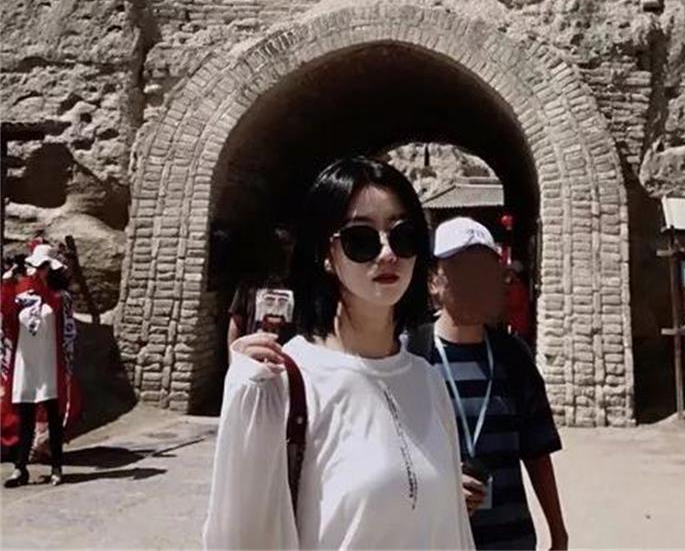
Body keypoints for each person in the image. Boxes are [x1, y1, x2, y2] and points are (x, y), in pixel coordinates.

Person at [203, 156, 474, 550]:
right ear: (326, 255)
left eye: (403, 235)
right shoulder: (277, 383)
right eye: (361, 239)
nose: (387, 253)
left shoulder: (428, 380)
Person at [407, 216, 568, 551]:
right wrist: (443, 486)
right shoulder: (411, 356)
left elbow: (537, 451)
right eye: (462, 271)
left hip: (511, 541)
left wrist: (558, 533)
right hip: (437, 540)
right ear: (434, 281)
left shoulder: (514, 358)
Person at [1, 244, 77, 487]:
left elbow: (57, 311)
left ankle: (57, 466)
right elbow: (7, 314)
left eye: (43, 266)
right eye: (37, 265)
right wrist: (7, 284)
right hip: (25, 363)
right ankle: (20, 468)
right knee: (25, 417)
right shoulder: (22, 292)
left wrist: (36, 284)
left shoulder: (61, 297)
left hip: (49, 364)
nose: (39, 270)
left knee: (53, 416)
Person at [227, 226, 296, 349]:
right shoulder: (249, 284)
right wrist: (233, 356)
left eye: (287, 245)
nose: (283, 252)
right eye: (278, 246)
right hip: (252, 353)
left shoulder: (299, 285)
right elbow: (236, 323)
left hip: (286, 355)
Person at [505, 260, 533, 340]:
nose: (508, 273)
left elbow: (515, 303)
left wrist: (503, 300)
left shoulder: (517, 286)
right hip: (517, 323)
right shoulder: (516, 285)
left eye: (510, 271)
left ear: (514, 273)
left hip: (519, 323)